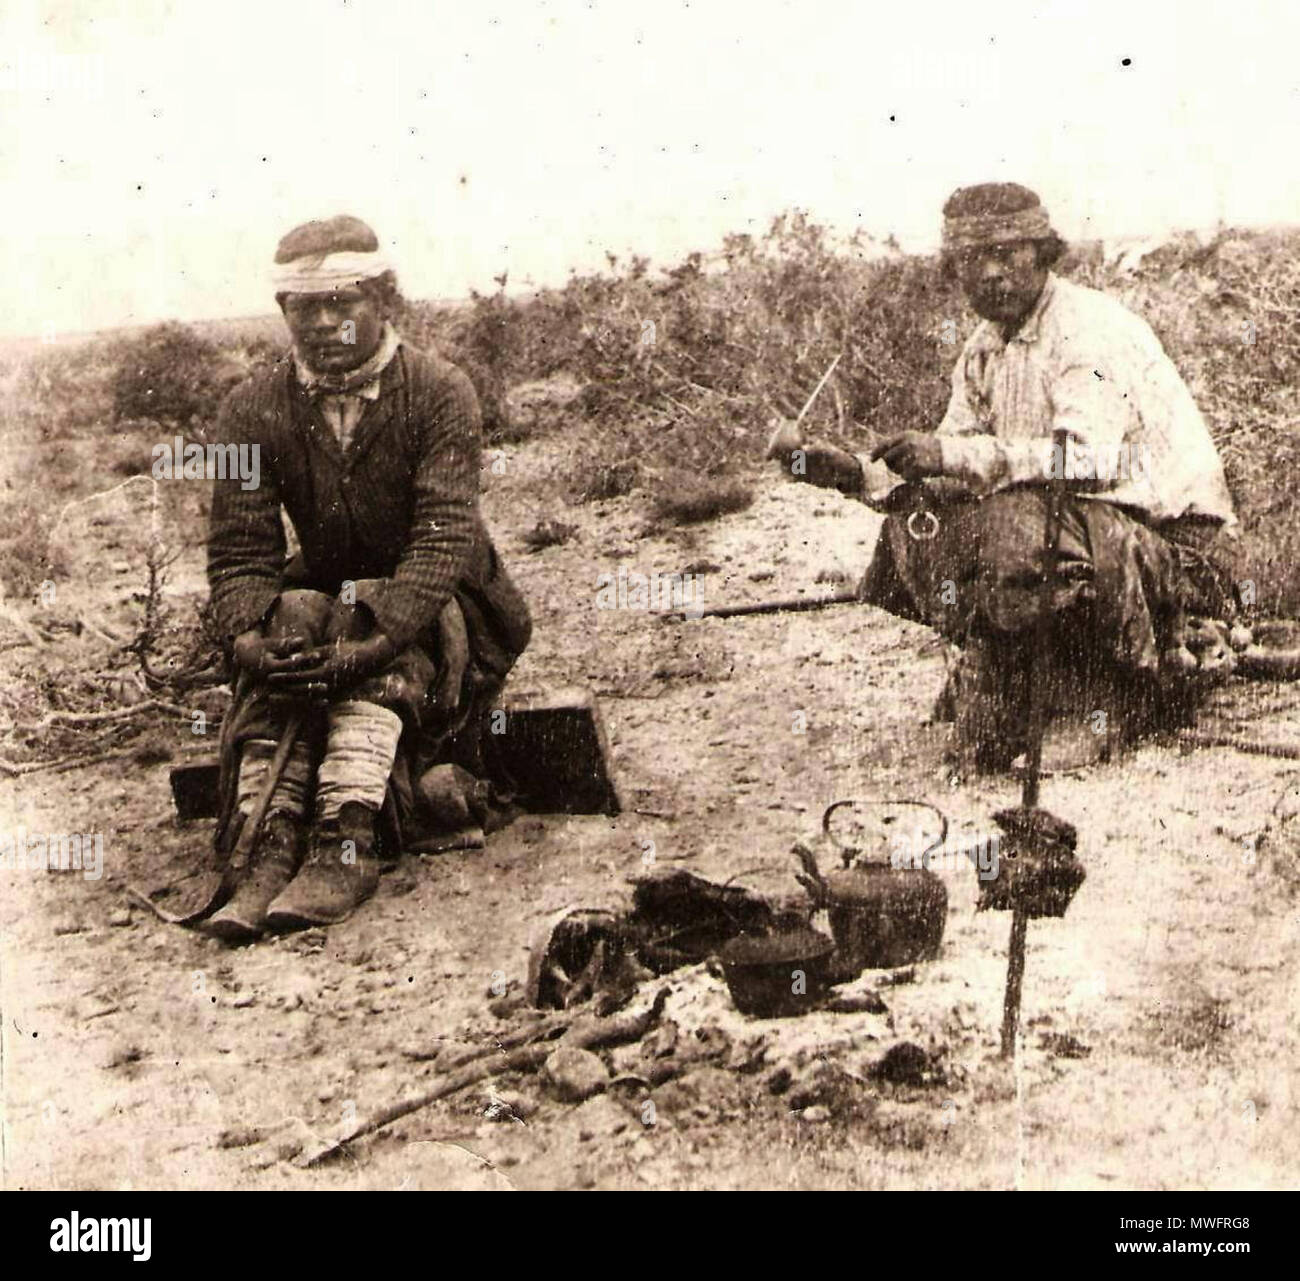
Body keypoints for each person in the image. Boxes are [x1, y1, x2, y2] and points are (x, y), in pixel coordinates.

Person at [780, 183, 1238, 769]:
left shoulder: (1086, 332)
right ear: (955, 269)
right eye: (974, 260)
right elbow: (956, 462)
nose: (991, 273)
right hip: (1093, 534)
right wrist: (853, 475)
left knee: (1015, 523)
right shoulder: (984, 348)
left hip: (1176, 553)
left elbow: (1086, 462)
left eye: (1008, 253)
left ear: (1043, 253)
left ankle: (1104, 700)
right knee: (919, 520)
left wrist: (950, 456)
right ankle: (1010, 679)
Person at [202, 214, 531, 940]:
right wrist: (250, 638)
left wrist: (376, 642)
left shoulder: (442, 391)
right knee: (288, 615)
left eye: (341, 301)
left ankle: (347, 837)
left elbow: (441, 539)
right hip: (331, 599)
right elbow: (239, 548)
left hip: (447, 603)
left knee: (361, 607)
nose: (320, 322)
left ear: (384, 299)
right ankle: (271, 837)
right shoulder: (249, 408)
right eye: (302, 306)